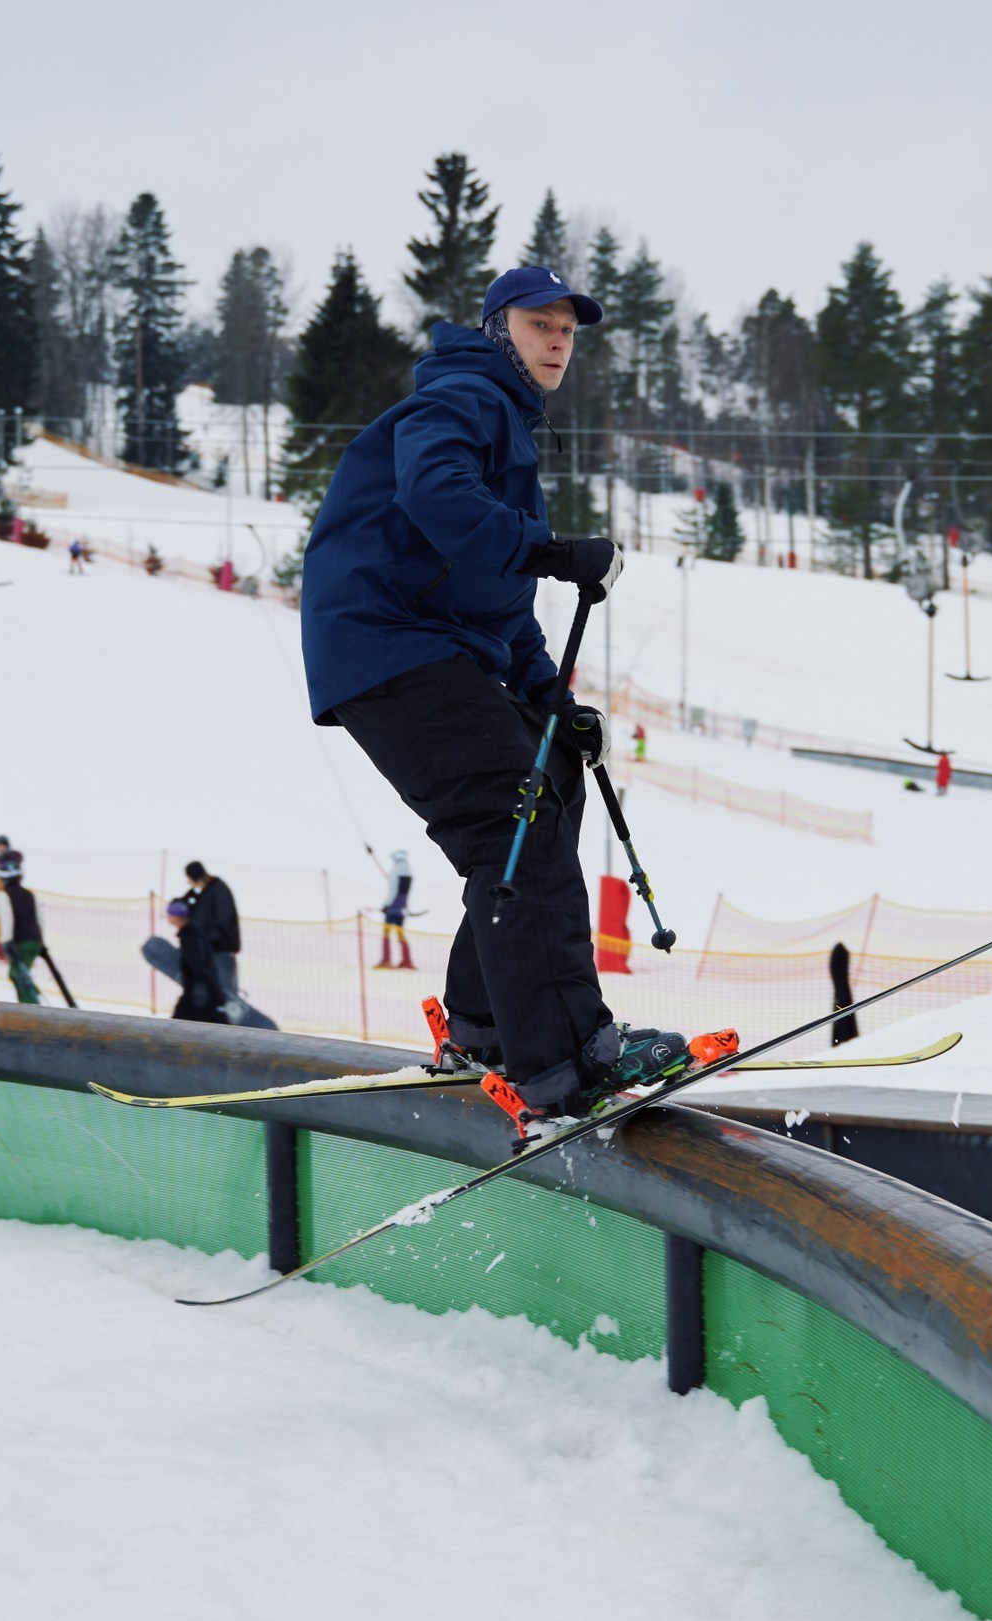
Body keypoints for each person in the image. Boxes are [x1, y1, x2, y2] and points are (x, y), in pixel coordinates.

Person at [299, 266, 689, 1126]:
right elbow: (435, 496)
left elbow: (501, 605)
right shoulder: (464, 398)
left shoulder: (503, 427)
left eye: (567, 330)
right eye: (538, 323)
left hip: (420, 644)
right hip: (386, 640)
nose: (556, 340)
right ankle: (569, 1059)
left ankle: (484, 1031)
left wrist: (552, 697)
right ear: (497, 327)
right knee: (518, 816)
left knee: (545, 784)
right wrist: (548, 550)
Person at [181, 860, 272, 1026]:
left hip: (221, 953)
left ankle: (237, 1033)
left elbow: (222, 923)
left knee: (227, 998)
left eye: (190, 880)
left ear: (195, 877)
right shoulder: (205, 892)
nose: (190, 884)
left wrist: (203, 943)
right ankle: (220, 1032)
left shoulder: (218, 891)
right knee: (217, 998)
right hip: (212, 953)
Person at [0, 866, 47, 1003]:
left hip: (21, 941)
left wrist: (7, 941)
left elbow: (7, 918)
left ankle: (31, 1007)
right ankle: (31, 1000)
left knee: (18, 974)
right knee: (20, 973)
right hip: (35, 940)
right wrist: (40, 941)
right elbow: (40, 919)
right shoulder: (29, 894)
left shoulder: (4, 894)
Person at [378, 849, 416, 970]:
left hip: (393, 907)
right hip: (402, 906)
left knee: (387, 933)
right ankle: (406, 960)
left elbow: (393, 890)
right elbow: (404, 892)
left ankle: (386, 959)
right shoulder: (408, 870)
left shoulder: (396, 870)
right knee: (400, 933)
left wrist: (386, 904)